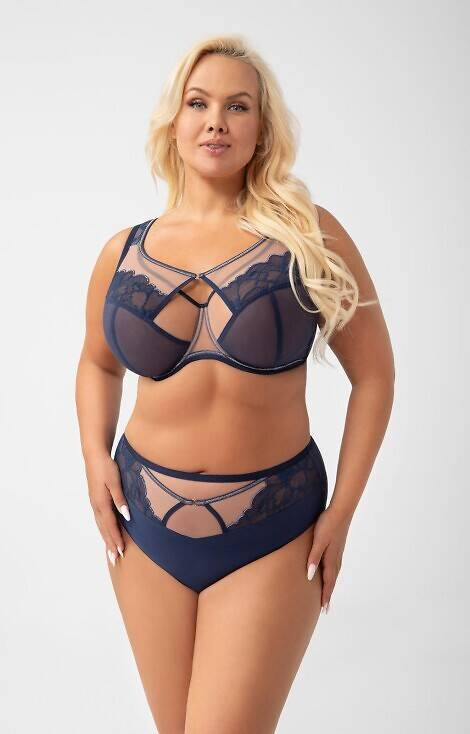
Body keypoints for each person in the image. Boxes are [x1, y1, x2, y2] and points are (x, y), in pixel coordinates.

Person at [75, 34, 395, 734]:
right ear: (174, 121)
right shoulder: (123, 252)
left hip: (274, 526)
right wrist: (95, 457)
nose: (215, 121)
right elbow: (98, 363)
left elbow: (374, 377)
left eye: (237, 106)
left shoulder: (309, 237)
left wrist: (342, 513)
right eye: (199, 103)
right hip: (144, 524)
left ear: (261, 129)